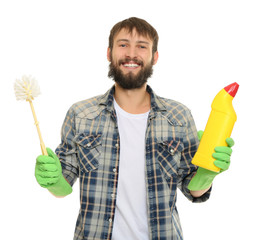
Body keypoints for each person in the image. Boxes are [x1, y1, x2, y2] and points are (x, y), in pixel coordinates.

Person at [35, 17, 234, 240]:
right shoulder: (81, 114)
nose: (131, 53)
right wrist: (52, 180)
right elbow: (63, 185)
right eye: (123, 45)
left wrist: (207, 174)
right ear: (109, 53)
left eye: (141, 46)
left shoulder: (179, 116)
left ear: (154, 56)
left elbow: (192, 189)